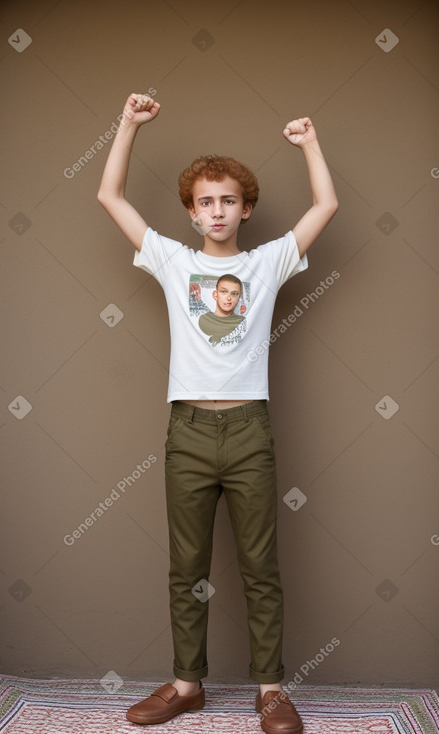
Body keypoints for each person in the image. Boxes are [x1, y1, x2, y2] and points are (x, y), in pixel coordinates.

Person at [98, 92, 338, 734]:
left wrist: (309, 142)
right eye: (205, 201)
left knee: (262, 567)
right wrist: (128, 125)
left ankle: (271, 692)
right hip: (189, 432)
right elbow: (111, 198)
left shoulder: (267, 263)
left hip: (250, 430)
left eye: (228, 199)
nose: (217, 210)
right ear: (191, 211)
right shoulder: (174, 262)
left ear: (246, 208)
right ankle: (186, 685)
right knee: (187, 568)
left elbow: (326, 207)